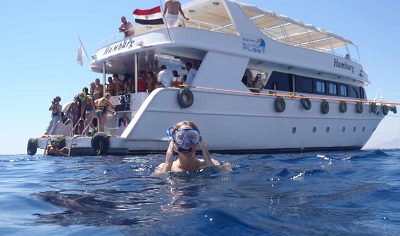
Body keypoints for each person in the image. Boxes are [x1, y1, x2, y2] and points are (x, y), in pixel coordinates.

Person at [155, 121, 220, 173]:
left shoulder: (213, 163)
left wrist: (209, 162)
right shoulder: (163, 167)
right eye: (181, 137)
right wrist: (168, 165)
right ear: (174, 142)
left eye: (192, 137)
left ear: (198, 142)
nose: (187, 142)